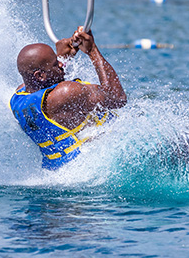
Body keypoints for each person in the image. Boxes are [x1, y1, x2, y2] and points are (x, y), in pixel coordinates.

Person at [10, 27, 127, 170]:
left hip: (62, 170)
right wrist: (92, 51)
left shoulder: (19, 96)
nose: (60, 64)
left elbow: (47, 85)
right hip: (98, 165)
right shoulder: (65, 93)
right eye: (55, 63)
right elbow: (118, 97)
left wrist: (64, 56)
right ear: (39, 75)